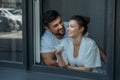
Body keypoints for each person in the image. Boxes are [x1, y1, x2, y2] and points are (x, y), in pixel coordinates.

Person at [40, 10, 106, 66]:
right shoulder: (45, 39)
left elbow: (95, 46)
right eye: (55, 26)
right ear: (47, 28)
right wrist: (72, 64)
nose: (60, 26)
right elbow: (49, 62)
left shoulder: (71, 26)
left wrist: (108, 63)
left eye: (60, 22)